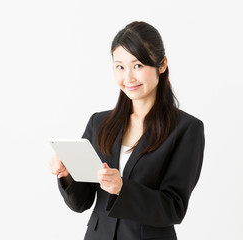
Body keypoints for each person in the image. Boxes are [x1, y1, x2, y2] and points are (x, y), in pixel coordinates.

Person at [48, 21, 205, 240]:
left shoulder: (186, 129)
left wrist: (123, 188)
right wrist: (66, 176)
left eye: (138, 65)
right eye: (120, 66)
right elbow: (81, 203)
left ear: (162, 65)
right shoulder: (99, 122)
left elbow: (173, 208)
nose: (128, 78)